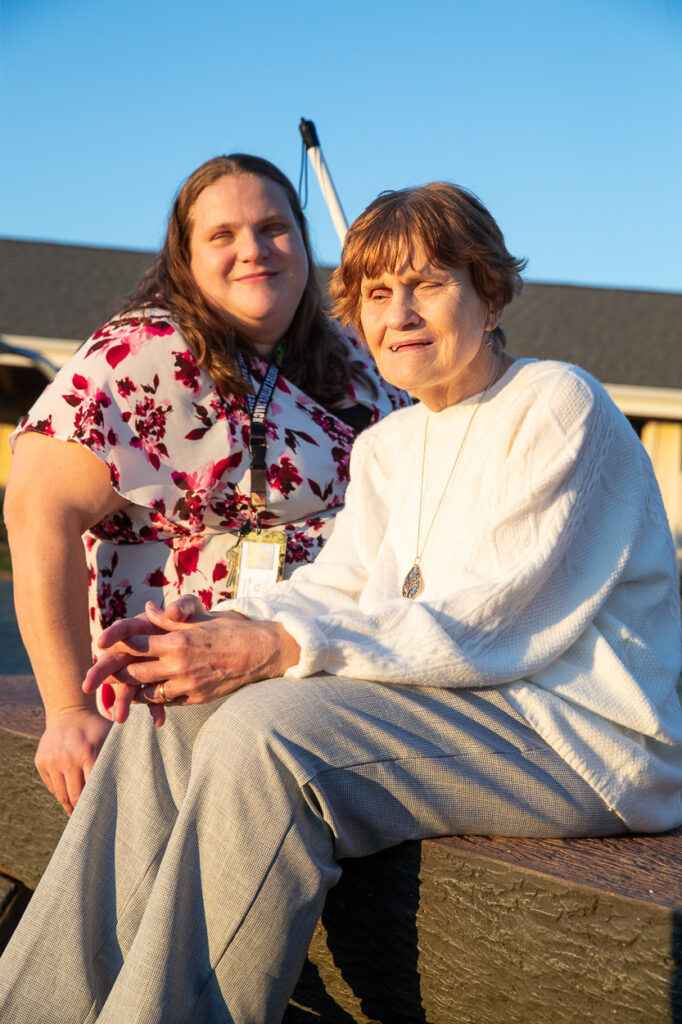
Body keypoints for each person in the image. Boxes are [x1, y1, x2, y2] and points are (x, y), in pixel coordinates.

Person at [2, 182, 681, 1024]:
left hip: (577, 734)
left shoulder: (555, 403)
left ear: (491, 291)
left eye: (430, 283)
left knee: (269, 735)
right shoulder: (391, 444)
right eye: (377, 293)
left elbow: (488, 622)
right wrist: (213, 632)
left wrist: (277, 648)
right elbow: (334, 588)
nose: (401, 311)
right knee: (168, 711)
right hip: (460, 706)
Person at [3, 154, 407, 817]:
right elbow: (36, 512)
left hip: (325, 687)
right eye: (223, 234)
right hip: (174, 712)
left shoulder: (359, 360)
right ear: (184, 258)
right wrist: (68, 710)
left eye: (274, 227)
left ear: (304, 244)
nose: (253, 249)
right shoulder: (142, 355)